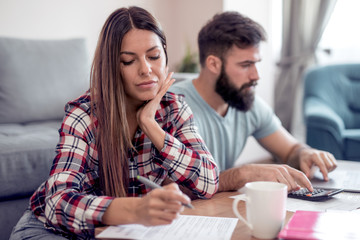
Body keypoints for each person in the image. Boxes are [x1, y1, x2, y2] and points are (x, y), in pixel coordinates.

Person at [10, 6, 219, 239]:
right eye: (129, 61)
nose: (146, 69)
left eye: (154, 56)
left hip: (116, 231)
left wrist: (151, 125)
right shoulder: (84, 115)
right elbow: (58, 202)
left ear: (165, 55)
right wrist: (136, 210)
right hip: (51, 230)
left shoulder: (174, 108)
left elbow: (208, 182)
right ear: (112, 66)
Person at [170, 11, 337, 193]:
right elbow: (172, 187)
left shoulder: (244, 100)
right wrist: (241, 175)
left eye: (256, 63)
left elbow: (290, 150)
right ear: (213, 64)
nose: (256, 75)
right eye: (246, 65)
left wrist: (305, 153)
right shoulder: (172, 106)